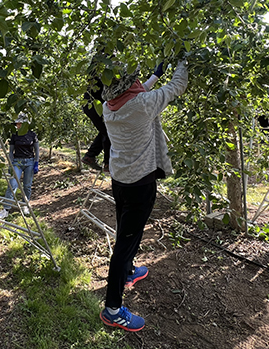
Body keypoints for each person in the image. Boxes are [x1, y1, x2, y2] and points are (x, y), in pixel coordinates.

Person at [99, 59, 188, 332]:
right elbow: (178, 86)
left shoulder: (109, 106)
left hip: (121, 179)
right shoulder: (142, 105)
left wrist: (154, 76)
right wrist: (183, 59)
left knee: (126, 232)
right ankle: (112, 309)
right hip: (140, 184)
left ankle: (128, 270)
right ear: (129, 85)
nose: (139, 83)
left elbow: (139, 91)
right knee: (126, 242)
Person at [0, 114, 40, 219]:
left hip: (29, 162)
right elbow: (11, 151)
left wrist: (36, 162)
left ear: (25, 124)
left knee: (27, 185)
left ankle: (25, 204)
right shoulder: (14, 135)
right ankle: (6, 209)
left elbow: (37, 150)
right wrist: (10, 163)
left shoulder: (32, 135)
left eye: (20, 123)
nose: (18, 125)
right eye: (17, 124)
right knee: (12, 185)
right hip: (17, 162)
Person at [82, 77, 110, 172]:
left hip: (92, 104)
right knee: (108, 131)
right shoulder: (101, 66)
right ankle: (108, 163)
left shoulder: (101, 66)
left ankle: (90, 155)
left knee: (104, 130)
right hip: (94, 105)